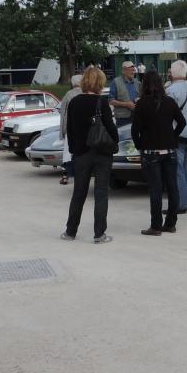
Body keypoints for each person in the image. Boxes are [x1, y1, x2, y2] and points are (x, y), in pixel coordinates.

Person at [62, 66, 118, 244]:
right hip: (102, 152)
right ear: (100, 83)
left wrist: (74, 150)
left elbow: (70, 129)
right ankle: (99, 234)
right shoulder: (102, 103)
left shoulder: (74, 102)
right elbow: (111, 130)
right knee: (101, 193)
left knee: (79, 193)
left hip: (81, 153)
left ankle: (70, 231)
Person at [131, 70, 186, 236]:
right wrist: (173, 137)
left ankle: (155, 225)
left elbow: (135, 130)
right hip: (169, 150)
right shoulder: (169, 102)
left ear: (144, 85)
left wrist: (140, 145)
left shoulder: (141, 104)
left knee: (155, 189)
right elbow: (182, 122)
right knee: (172, 188)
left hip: (150, 151)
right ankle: (170, 223)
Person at [166, 60, 187, 213]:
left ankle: (181, 204)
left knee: (177, 170)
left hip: (177, 134)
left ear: (172, 73)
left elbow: (167, 115)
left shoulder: (170, 91)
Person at [57, 74, 83, 185]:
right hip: (83, 129)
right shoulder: (86, 93)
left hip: (70, 128)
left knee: (68, 152)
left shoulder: (69, 94)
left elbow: (62, 113)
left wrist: (62, 130)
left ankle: (66, 175)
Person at [109, 61, 140, 127]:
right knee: (123, 137)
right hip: (122, 118)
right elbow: (111, 101)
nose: (133, 72)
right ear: (124, 71)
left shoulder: (136, 81)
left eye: (133, 70)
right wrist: (126, 104)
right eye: (130, 70)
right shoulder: (115, 82)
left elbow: (139, 96)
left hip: (136, 115)